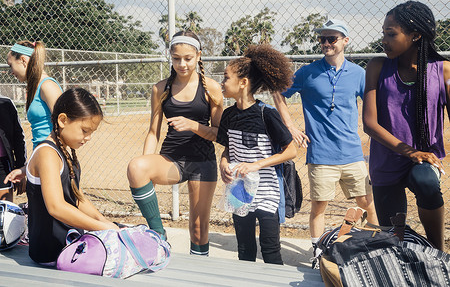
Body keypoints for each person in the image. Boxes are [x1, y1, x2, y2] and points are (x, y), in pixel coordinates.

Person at [272, 19, 378, 267]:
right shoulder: (307, 73)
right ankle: (318, 252)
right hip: (321, 155)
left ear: (345, 41)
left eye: (332, 38)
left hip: (352, 153)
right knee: (319, 206)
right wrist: (291, 126)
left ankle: (375, 246)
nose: (326, 43)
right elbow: (277, 92)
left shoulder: (358, 74)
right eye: (322, 39)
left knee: (367, 202)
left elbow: (374, 105)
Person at [363, 1, 449, 251]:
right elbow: (369, 123)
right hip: (386, 161)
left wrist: (419, 155)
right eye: (383, 33)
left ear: (415, 35)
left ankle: (438, 251)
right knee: (393, 242)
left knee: (426, 183)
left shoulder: (443, 71)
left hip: (422, 161)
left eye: (391, 34)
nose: (384, 40)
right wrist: (409, 151)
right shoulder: (377, 67)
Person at [127, 31, 223, 256]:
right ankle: (159, 237)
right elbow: (153, 132)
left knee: (199, 229)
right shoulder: (161, 88)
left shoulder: (211, 88)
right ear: (170, 57)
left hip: (202, 162)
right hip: (172, 159)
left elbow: (220, 134)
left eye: (188, 58)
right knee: (136, 166)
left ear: (198, 56)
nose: (182, 64)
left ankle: (199, 271)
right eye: (176, 58)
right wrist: (146, 160)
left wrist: (193, 125)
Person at [217, 44, 297, 265]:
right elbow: (227, 148)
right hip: (239, 190)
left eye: (226, 78)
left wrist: (255, 165)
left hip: (267, 193)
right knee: (244, 249)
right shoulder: (228, 115)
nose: (222, 83)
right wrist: (223, 164)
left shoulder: (267, 114)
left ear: (243, 83)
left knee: (270, 250)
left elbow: (291, 151)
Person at [24, 88, 119, 264]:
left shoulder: (64, 151)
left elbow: (78, 197)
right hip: (51, 253)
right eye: (84, 130)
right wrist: (101, 227)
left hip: (69, 246)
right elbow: (56, 207)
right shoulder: (47, 153)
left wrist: (105, 222)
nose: (88, 138)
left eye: (92, 132)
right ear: (63, 120)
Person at [4, 40, 63, 185]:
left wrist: (41, 160)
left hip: (50, 161)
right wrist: (27, 168)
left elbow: (64, 127)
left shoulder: (47, 86)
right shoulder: (35, 87)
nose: (11, 72)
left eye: (11, 65)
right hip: (42, 160)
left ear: (23, 60)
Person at [0, 95, 26, 202]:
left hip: (2, 166)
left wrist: (20, 168)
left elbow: (18, 138)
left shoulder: (5, 103)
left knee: (5, 211)